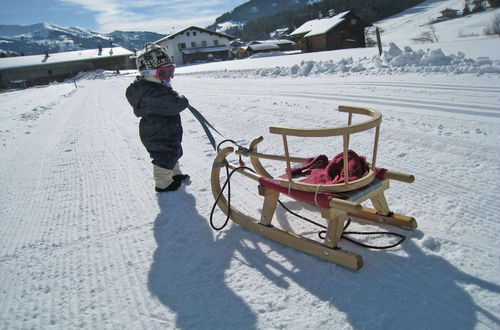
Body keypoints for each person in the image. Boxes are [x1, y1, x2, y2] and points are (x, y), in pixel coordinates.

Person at [126, 44, 190, 192]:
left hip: (165, 130)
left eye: (171, 72)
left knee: (173, 152)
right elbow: (174, 104)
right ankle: (163, 183)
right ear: (148, 73)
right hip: (157, 133)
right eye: (164, 73)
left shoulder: (155, 88)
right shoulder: (150, 94)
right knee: (164, 157)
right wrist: (182, 100)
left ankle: (174, 175)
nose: (169, 77)